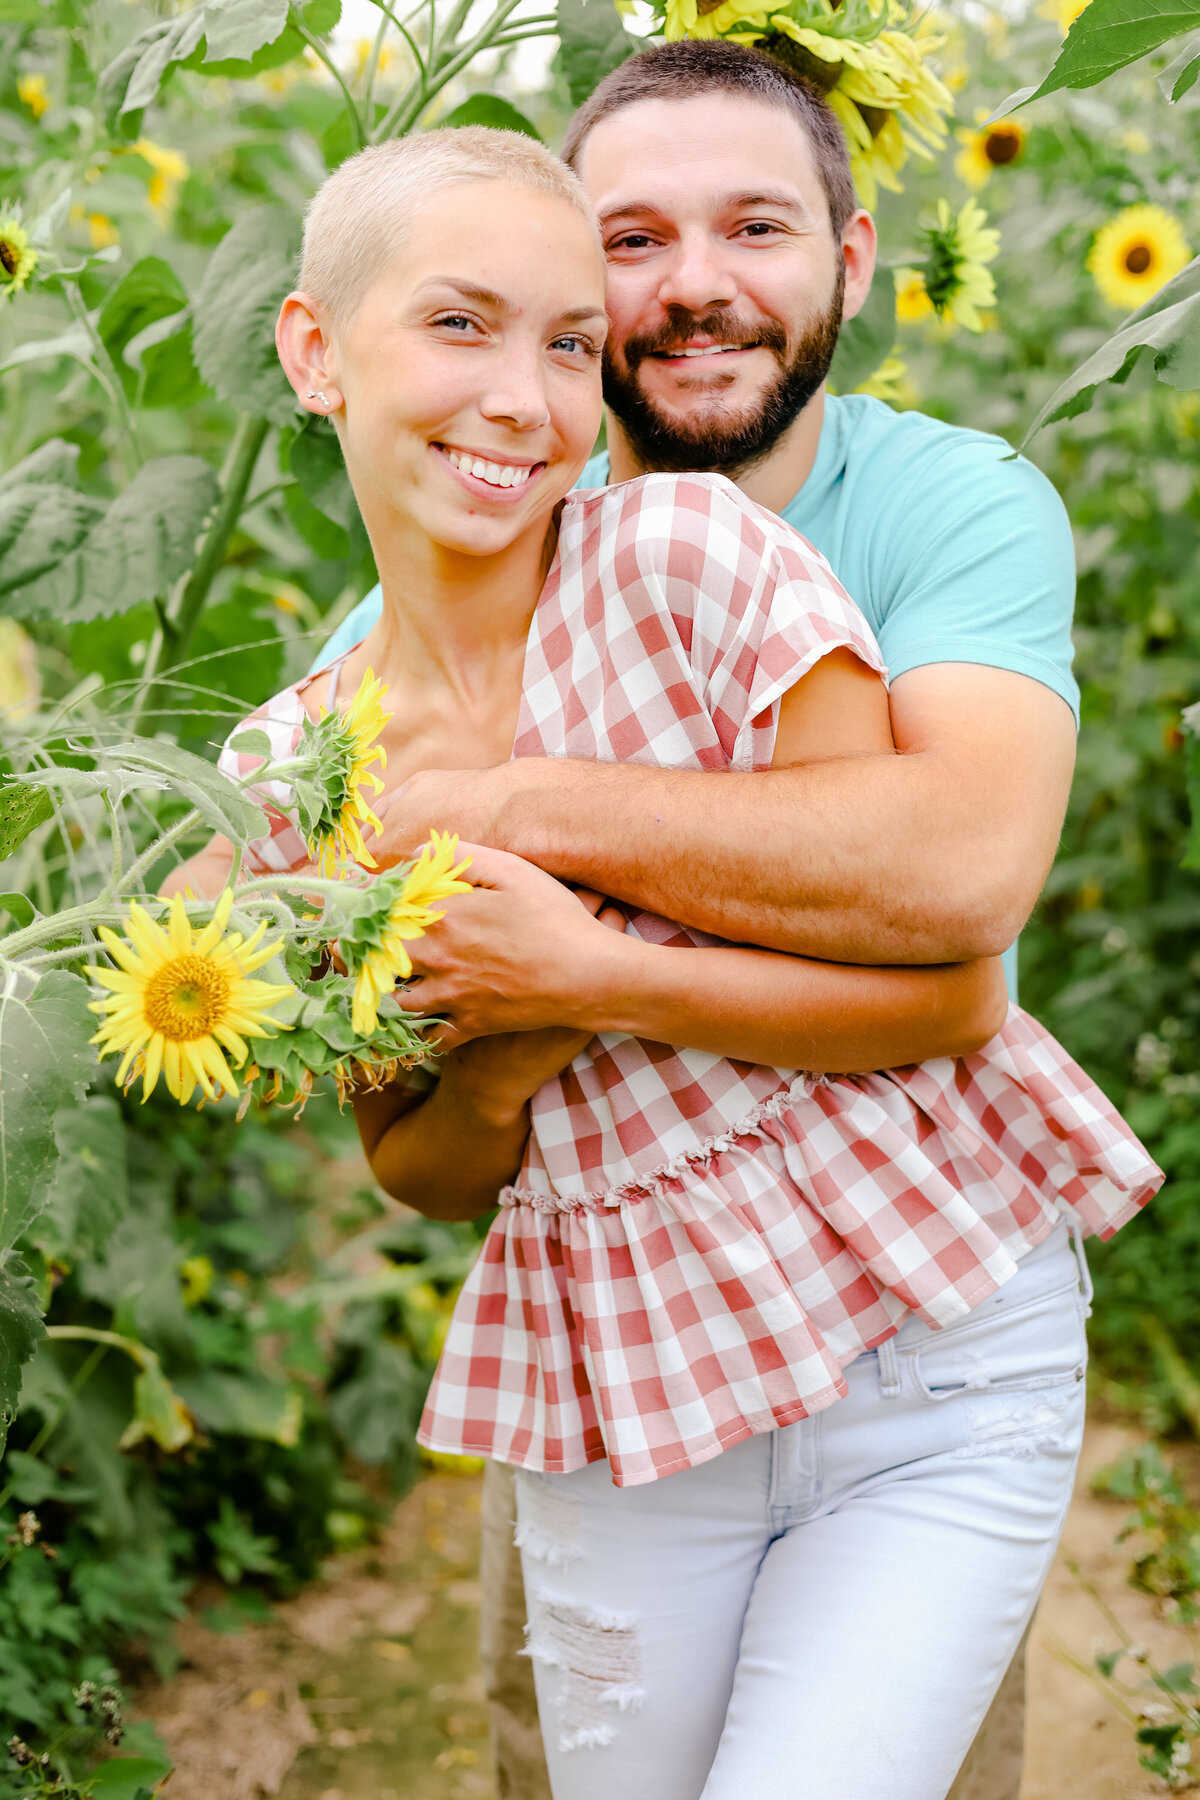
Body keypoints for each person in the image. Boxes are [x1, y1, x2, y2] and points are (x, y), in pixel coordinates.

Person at [192, 116, 1163, 1800]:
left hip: (924, 1339)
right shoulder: (305, 780)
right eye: (457, 324)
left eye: (569, 346)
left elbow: (947, 983)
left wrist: (576, 957)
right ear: (311, 349)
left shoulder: (687, 554)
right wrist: (503, 1037)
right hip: (627, 1385)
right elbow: (417, 1164)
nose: (524, 395)